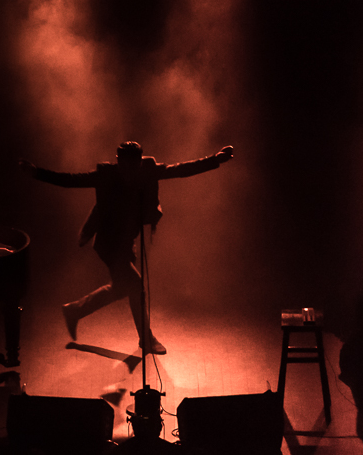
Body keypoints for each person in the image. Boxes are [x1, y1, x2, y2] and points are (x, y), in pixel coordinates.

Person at [20, 142, 234, 354]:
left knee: (122, 287)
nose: (130, 171)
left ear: (140, 162)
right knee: (136, 286)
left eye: (135, 165)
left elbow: (182, 169)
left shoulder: (148, 172)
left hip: (126, 243)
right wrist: (37, 173)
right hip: (108, 244)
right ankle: (146, 339)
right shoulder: (106, 176)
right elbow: (69, 180)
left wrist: (215, 159)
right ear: (118, 162)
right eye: (126, 166)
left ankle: (75, 310)